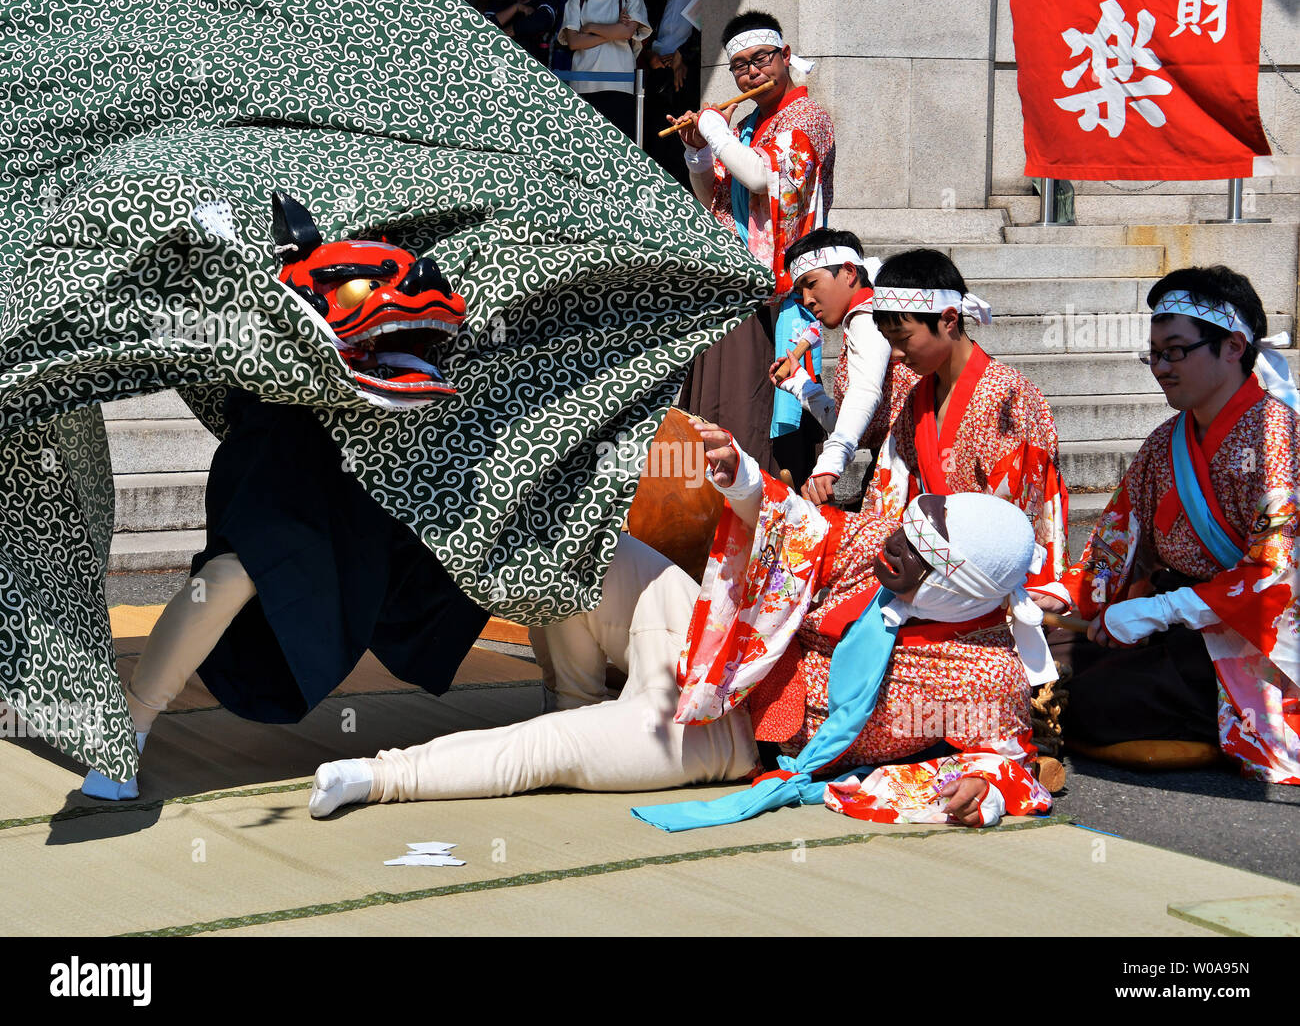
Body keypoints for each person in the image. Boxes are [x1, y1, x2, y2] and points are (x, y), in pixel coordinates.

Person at [310, 427, 1055, 830]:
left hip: (733, 728)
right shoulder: (879, 542)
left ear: (959, 586)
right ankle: (580, 712)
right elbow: (797, 524)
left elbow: (1007, 760)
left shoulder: (987, 673)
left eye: (915, 556)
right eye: (904, 530)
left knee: (545, 752)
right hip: (706, 628)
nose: (891, 547)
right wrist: (740, 478)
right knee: (572, 551)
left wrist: (982, 793)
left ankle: (381, 776)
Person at [80, 197, 491, 800]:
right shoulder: (268, 363)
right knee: (233, 574)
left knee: (546, 536)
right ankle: (130, 726)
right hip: (287, 467)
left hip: (389, 491)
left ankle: (574, 702)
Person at [1042, 266, 1299, 784]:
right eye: (1154, 354)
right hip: (1178, 621)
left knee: (1091, 700)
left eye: (1175, 350)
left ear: (1232, 345)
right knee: (1045, 658)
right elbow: (1116, 542)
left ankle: (1226, 722)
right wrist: (1065, 597)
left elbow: (1274, 573)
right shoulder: (1165, 442)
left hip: (1246, 633)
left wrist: (1159, 611)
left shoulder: (1278, 438)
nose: (1160, 367)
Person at [673, 10, 834, 488]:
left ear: (784, 57)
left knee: (759, 416)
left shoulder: (809, 117)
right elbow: (716, 197)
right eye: (739, 65)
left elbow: (763, 177)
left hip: (781, 291)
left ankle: (770, 514)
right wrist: (697, 149)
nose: (750, 72)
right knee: (716, 407)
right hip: (735, 283)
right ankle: (714, 511)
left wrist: (716, 131)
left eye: (760, 59)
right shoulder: (746, 125)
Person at [864, 249, 1070, 605]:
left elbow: (1026, 517)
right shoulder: (915, 397)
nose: (896, 354)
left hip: (992, 581)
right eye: (889, 341)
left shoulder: (1008, 397)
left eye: (903, 337)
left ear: (948, 320)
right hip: (934, 578)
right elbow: (890, 491)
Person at [768, 228, 920, 507]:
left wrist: (830, 461)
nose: (807, 299)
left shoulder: (868, 314)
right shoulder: (860, 319)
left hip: (912, 469)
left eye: (811, 283)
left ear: (849, 272)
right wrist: (803, 387)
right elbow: (855, 423)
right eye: (800, 291)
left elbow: (864, 391)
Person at [557, 0, 652, 140]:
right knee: (584, 147)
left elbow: (627, 33)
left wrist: (589, 28)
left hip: (620, 84)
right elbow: (574, 42)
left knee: (619, 148)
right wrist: (615, 30)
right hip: (582, 85)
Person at [643, 0, 700, 189]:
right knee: (655, 141)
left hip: (685, 74)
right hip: (657, 70)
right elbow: (642, 32)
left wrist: (683, 54)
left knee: (680, 144)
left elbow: (708, 31)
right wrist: (649, 55)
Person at [490, 0, 561, 67]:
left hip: (535, 68)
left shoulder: (546, 1)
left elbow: (540, 22)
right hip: (500, 66)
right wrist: (516, 7)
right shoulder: (500, 4)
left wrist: (502, 34)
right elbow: (485, 29)